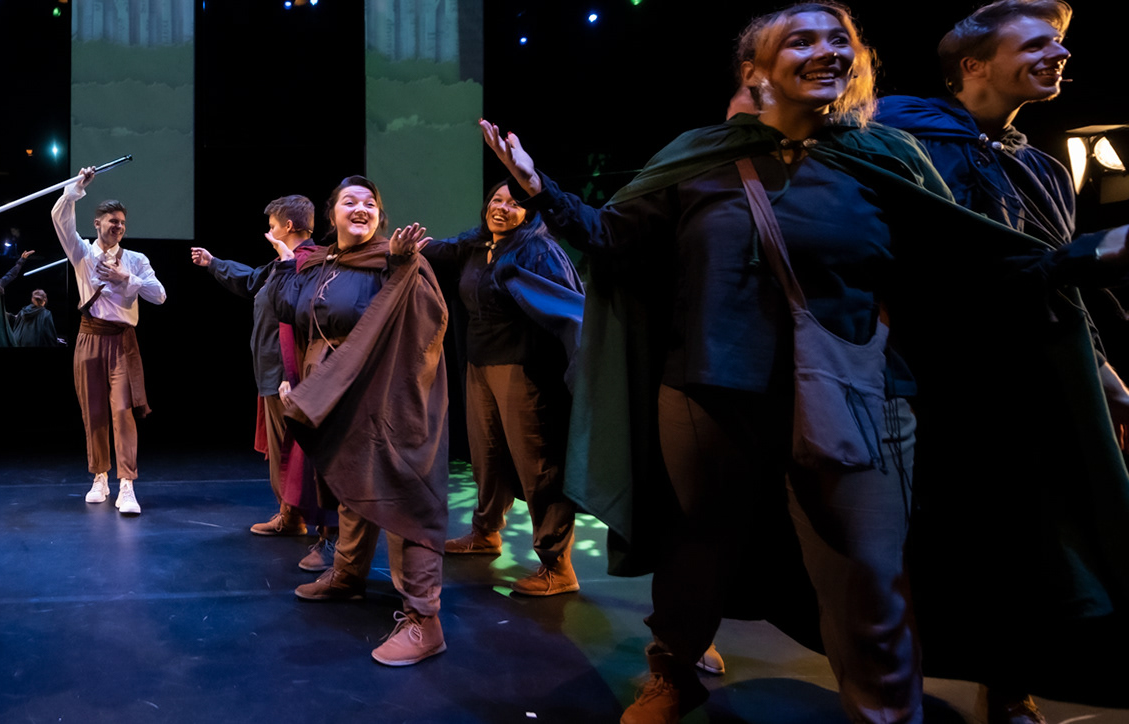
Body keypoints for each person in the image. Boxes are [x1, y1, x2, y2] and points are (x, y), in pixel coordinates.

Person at [488, 3, 1129, 721]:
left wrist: (1088, 256)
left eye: (840, 41)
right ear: (755, 70)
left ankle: (885, 712)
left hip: (860, 394)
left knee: (870, 575)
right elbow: (614, 239)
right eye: (802, 40)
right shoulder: (700, 155)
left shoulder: (886, 156)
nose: (827, 51)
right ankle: (672, 668)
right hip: (710, 390)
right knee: (698, 547)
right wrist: (541, 190)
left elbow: (965, 260)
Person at [877, 2, 1129, 721]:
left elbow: (1056, 284)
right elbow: (936, 273)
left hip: (1032, 380)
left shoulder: (1041, 168)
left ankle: (1008, 684)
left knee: (1029, 543)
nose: (1060, 54)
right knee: (933, 544)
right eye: (1039, 43)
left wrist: (1103, 372)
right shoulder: (902, 144)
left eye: (1062, 43)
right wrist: (1088, 256)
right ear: (973, 65)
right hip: (936, 380)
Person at [271, 176, 451, 667]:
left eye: (370, 203)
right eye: (349, 201)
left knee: (400, 494)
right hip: (336, 393)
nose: (361, 208)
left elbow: (425, 318)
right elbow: (291, 310)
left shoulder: (394, 260)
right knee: (350, 483)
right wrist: (287, 264)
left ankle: (423, 619)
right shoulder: (325, 262)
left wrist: (401, 264)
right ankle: (349, 575)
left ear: (379, 216)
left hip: (385, 394)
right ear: (331, 215)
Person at [419, 181, 585, 597]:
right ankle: (486, 531)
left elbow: (566, 308)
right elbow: (437, 250)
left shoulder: (540, 251)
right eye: (496, 200)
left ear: (530, 212)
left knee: (537, 464)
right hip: (480, 366)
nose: (502, 208)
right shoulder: (477, 246)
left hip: (523, 370)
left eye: (514, 203)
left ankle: (557, 565)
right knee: (487, 455)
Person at [190, 195, 341, 570]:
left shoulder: (309, 264)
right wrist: (213, 263)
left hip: (289, 377)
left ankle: (313, 526)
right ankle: (290, 514)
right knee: (281, 450)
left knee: (298, 451)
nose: (268, 231)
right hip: (272, 373)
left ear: (288, 226)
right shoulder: (280, 265)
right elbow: (251, 279)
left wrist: (293, 374)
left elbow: (309, 322)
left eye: (273, 225)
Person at [51, 166, 167, 514]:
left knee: (122, 411)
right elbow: (60, 219)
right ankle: (100, 476)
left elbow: (159, 295)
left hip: (121, 341)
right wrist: (76, 189)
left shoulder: (136, 260)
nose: (118, 226)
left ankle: (126, 483)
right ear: (97, 224)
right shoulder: (82, 254)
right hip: (89, 338)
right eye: (112, 221)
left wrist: (126, 277)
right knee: (94, 411)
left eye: (122, 222)